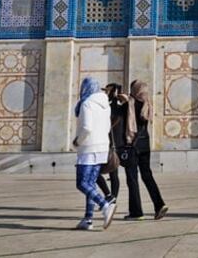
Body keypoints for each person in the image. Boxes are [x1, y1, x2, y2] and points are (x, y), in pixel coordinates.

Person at [120, 79, 169, 221]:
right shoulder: (147, 104)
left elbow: (120, 117)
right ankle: (159, 204)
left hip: (132, 145)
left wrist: (121, 101)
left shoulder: (129, 104)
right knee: (147, 175)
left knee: (132, 178)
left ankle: (136, 212)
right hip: (145, 144)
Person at [72, 77, 117, 230]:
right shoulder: (105, 105)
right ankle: (88, 219)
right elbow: (107, 127)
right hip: (102, 147)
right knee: (91, 184)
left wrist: (78, 141)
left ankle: (105, 205)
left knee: (82, 183)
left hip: (88, 148)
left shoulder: (87, 104)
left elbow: (87, 128)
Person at [96, 83, 124, 203]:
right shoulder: (107, 105)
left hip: (113, 144)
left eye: (108, 91)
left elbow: (115, 121)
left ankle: (112, 197)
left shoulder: (116, 107)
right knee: (100, 172)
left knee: (113, 172)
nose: (105, 93)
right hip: (106, 142)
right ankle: (111, 196)